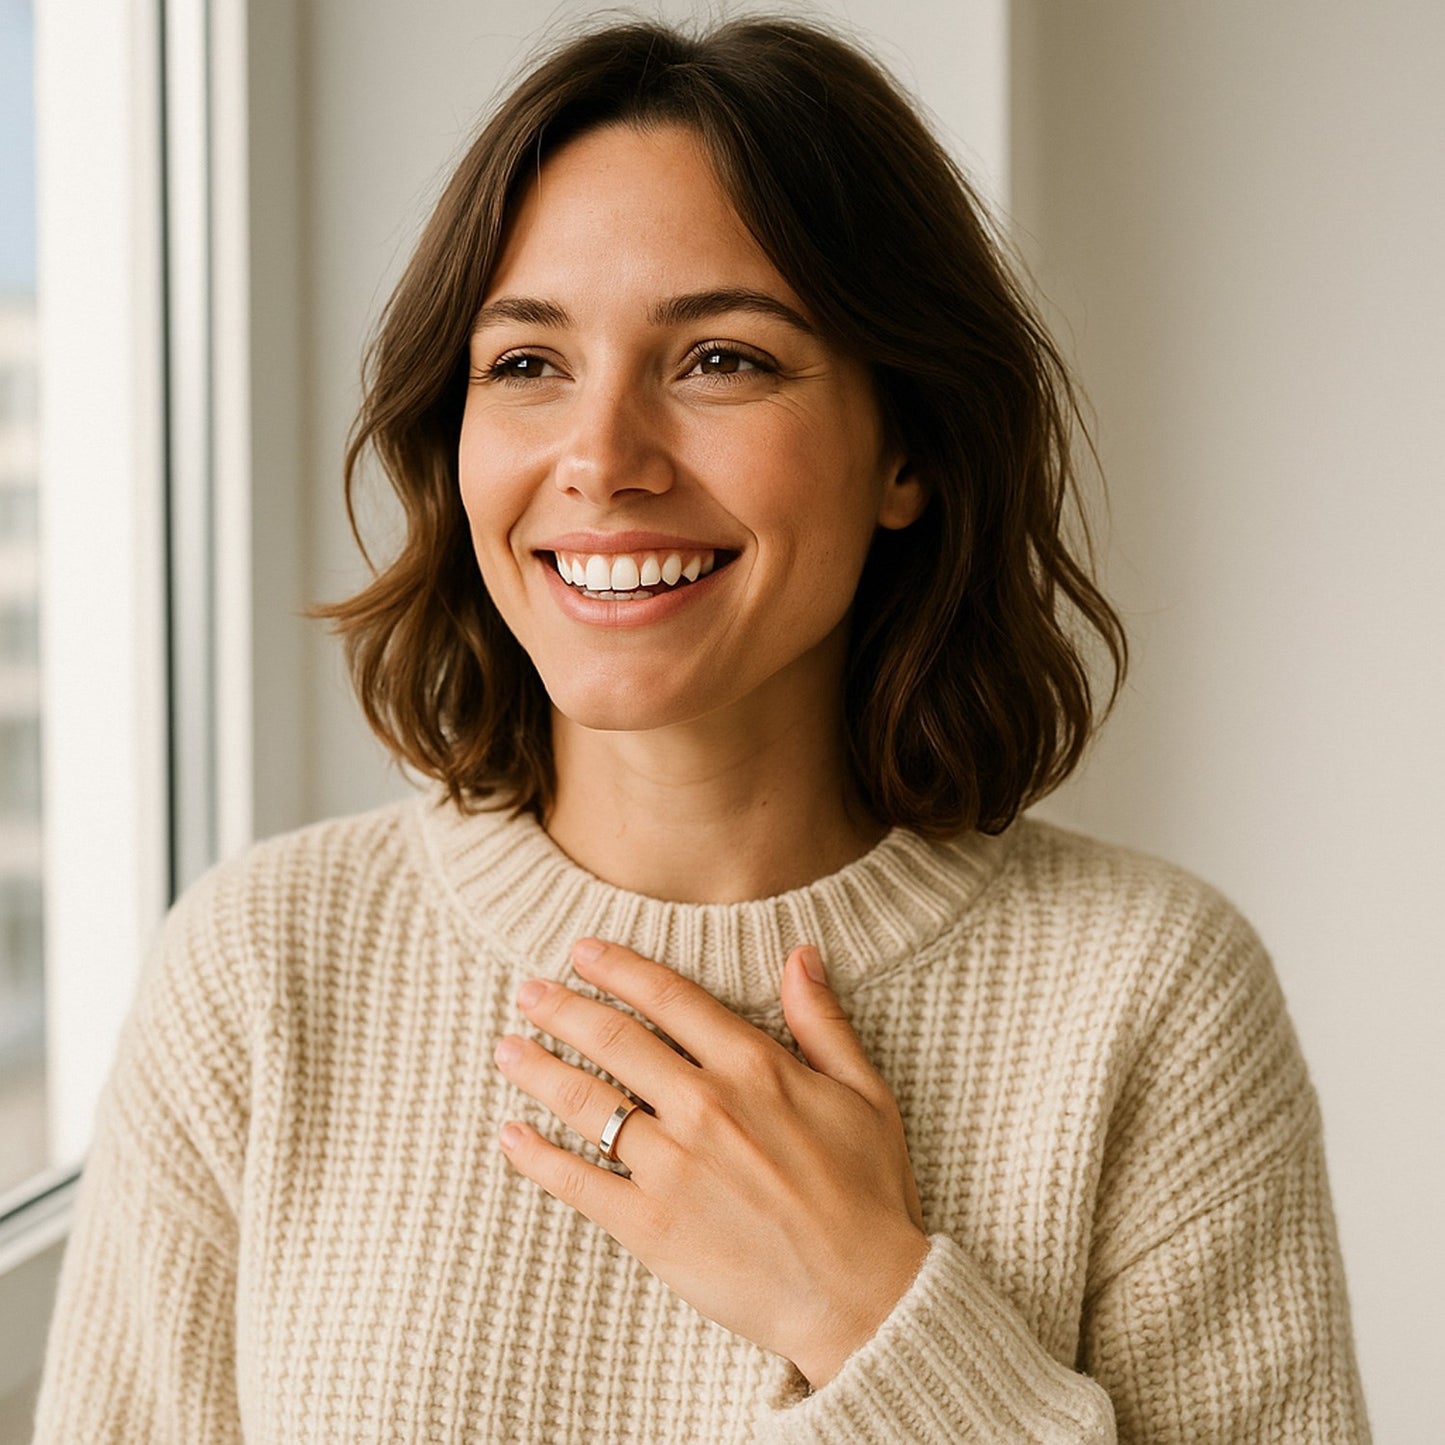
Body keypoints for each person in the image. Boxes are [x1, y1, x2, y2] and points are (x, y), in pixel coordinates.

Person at [32, 16, 1370, 1443]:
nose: (603, 458)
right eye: (526, 365)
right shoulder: (260, 967)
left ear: (907, 449)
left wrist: (863, 1308)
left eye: (721, 358)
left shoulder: (1152, 995)